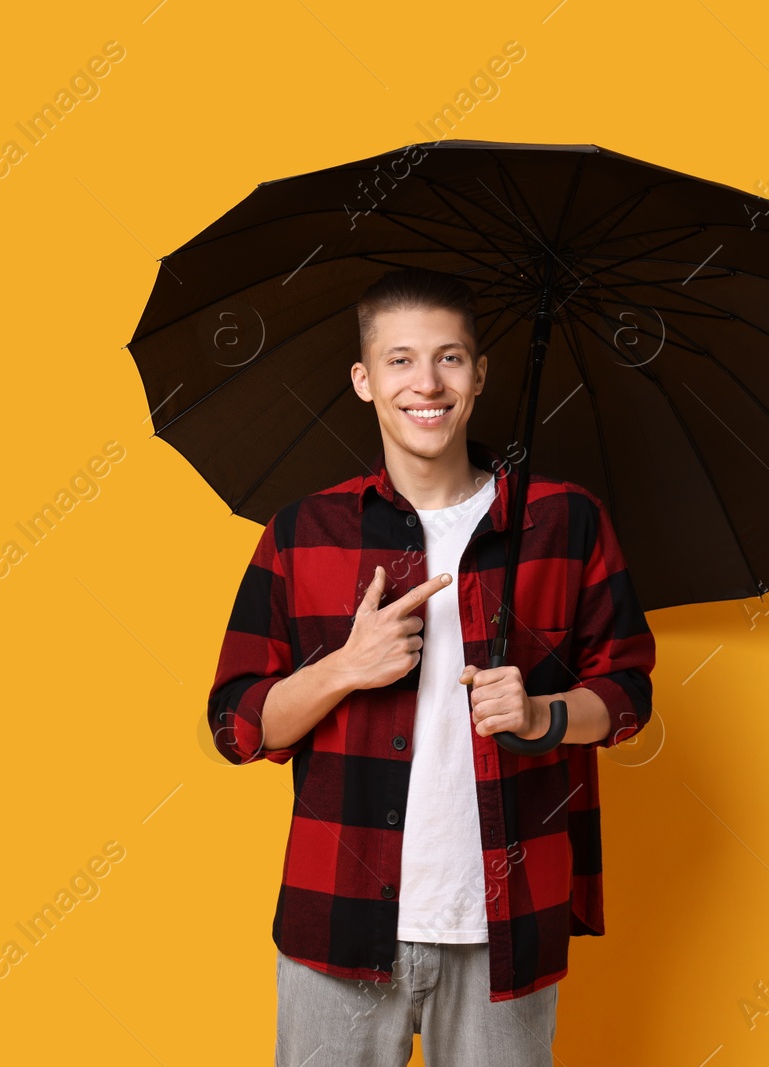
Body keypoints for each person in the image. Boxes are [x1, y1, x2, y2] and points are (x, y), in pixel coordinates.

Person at [206, 266, 656, 1066]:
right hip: (337, 921)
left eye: (450, 358)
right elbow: (237, 724)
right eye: (401, 359)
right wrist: (346, 665)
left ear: (480, 376)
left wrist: (541, 714)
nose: (427, 383)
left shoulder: (563, 520)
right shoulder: (303, 531)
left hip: (504, 927)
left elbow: (626, 695)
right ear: (364, 378)